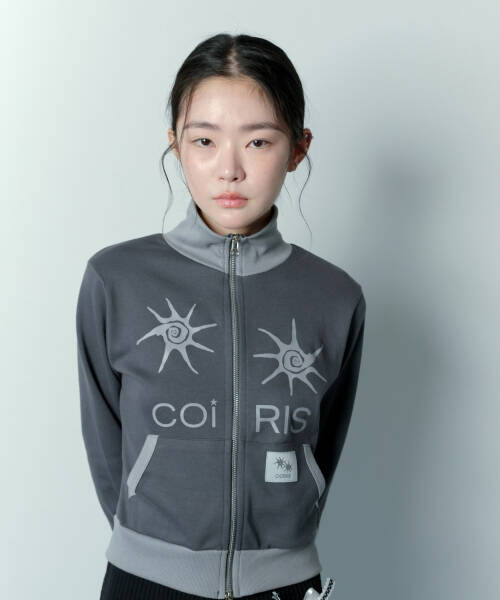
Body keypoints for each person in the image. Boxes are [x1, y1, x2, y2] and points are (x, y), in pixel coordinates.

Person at [76, 32, 366, 600]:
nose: (229, 169)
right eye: (204, 140)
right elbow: (104, 438)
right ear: (176, 145)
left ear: (298, 148)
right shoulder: (116, 278)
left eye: (258, 141)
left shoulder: (335, 296)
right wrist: (150, 546)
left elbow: (323, 445)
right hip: (145, 581)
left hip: (284, 583)